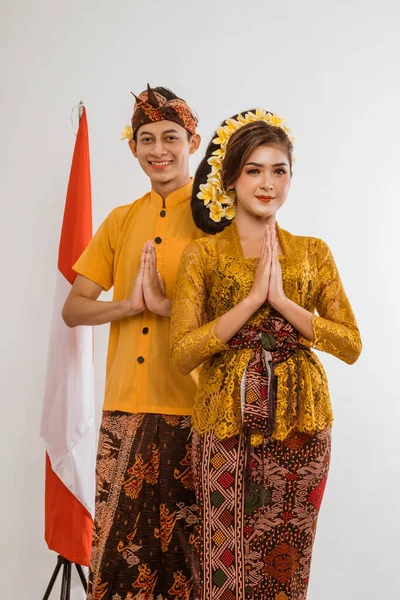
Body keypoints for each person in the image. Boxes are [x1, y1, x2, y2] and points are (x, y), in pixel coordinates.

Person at [170, 108, 362, 600]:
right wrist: (253, 301)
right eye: (254, 170)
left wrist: (283, 303)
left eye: (279, 170)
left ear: (291, 177)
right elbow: (182, 352)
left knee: (288, 560)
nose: (267, 182)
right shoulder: (204, 255)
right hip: (224, 419)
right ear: (231, 178)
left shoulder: (312, 252)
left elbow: (351, 344)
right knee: (223, 562)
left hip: (302, 420)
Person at [62, 84, 203, 600]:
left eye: (171, 137)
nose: (159, 149)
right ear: (133, 147)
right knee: (120, 564)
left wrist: (175, 310)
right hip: (123, 411)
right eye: (147, 139)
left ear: (193, 140)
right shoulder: (120, 220)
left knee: (195, 560)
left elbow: (244, 313)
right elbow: (74, 308)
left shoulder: (220, 221)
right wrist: (128, 305)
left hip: (198, 410)